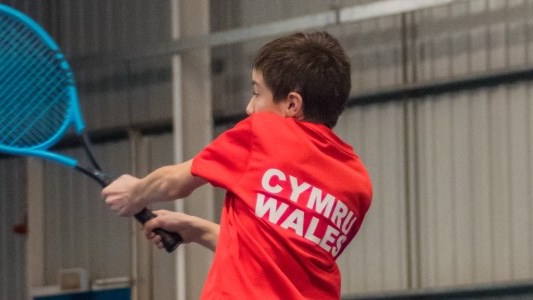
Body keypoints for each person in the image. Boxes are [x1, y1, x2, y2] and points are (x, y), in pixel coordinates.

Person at [102, 31, 372, 299]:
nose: (249, 108)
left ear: (292, 104)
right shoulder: (357, 183)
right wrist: (198, 230)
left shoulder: (263, 133)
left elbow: (175, 182)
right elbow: (277, 258)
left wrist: (135, 193)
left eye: (257, 93)